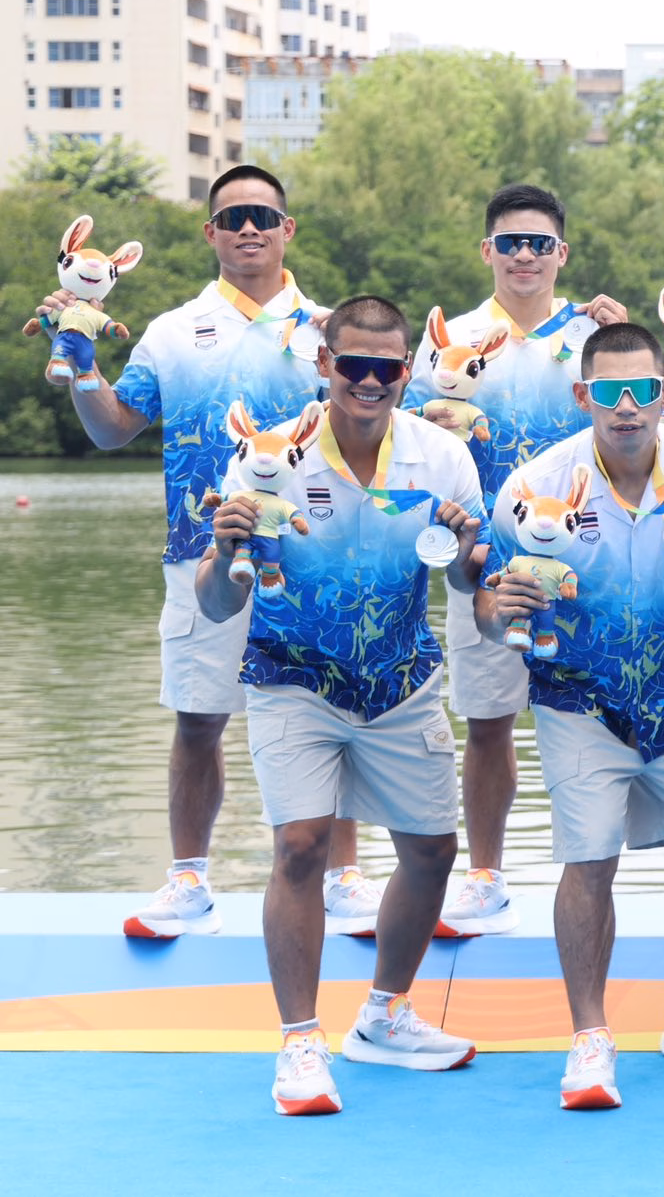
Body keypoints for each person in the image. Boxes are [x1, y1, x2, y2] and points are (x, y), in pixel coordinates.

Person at [39, 164, 371, 938]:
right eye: (233, 218)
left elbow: (377, 431)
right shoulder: (171, 331)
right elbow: (113, 428)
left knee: (331, 712)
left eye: (264, 216)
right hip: (200, 554)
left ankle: (343, 878)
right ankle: (188, 880)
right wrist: (82, 365)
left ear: (287, 230)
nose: (249, 228)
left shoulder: (330, 332)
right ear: (211, 233)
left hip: (316, 557)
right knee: (198, 720)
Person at [195, 294, 484, 1116]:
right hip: (292, 677)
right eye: (352, 364)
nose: (368, 381)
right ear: (325, 364)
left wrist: (469, 552)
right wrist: (222, 549)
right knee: (300, 847)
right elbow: (218, 604)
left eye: (385, 368)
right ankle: (299, 1040)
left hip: (400, 682)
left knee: (433, 852)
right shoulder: (268, 459)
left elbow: (469, 583)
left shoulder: (443, 457)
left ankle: (385, 1015)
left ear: (407, 371)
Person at [474, 322, 664, 1110]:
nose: (627, 406)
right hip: (578, 701)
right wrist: (503, 606)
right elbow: (488, 615)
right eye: (610, 391)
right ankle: (590, 1036)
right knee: (589, 861)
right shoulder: (532, 485)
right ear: (584, 396)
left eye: (642, 390)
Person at [405, 184, 626, 937]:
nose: (524, 255)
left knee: (598, 716)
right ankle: (486, 876)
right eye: (509, 243)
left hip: (590, 559)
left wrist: (623, 338)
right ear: (487, 251)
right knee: (488, 719)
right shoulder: (451, 338)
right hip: (487, 557)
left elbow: (643, 419)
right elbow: (408, 437)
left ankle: (595, 878)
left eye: (538, 243)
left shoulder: (595, 333)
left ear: (561, 253)